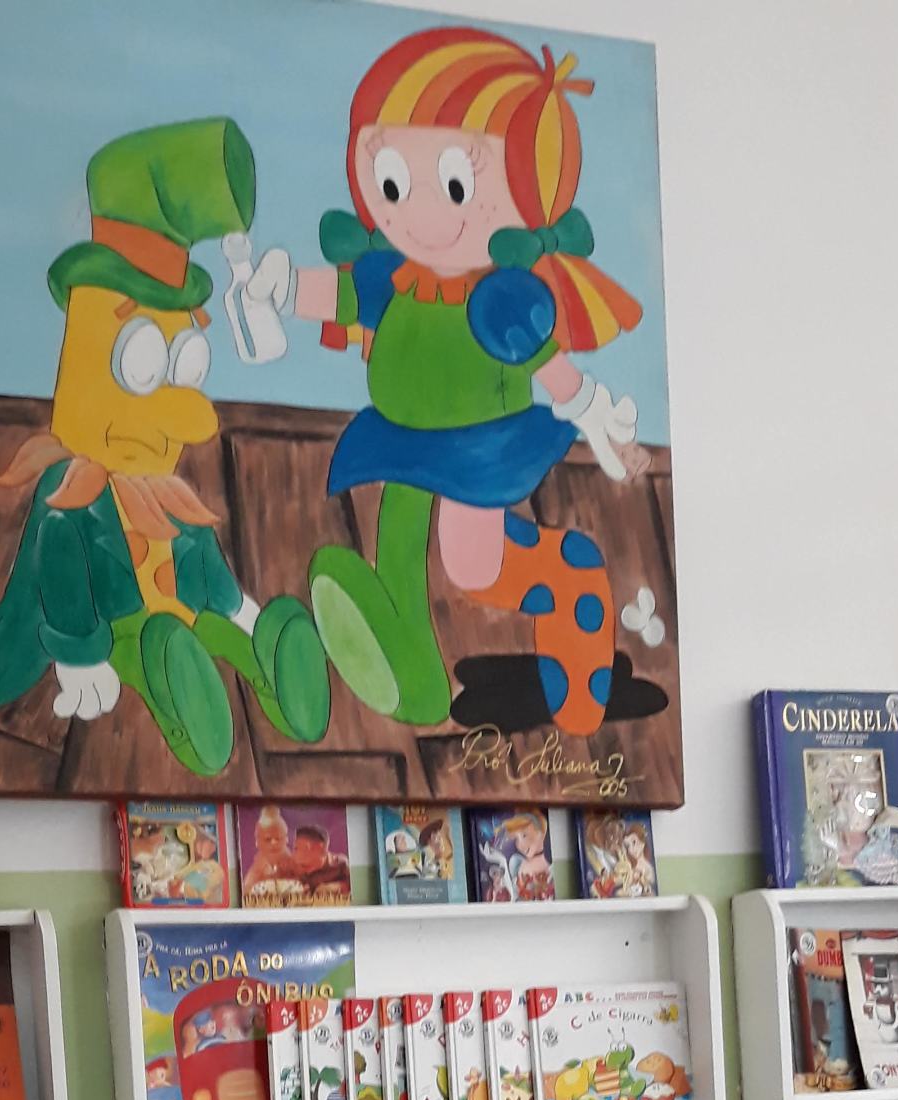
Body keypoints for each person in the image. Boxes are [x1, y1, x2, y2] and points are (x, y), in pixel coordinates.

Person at [233, 26, 648, 733]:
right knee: (397, 546)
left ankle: (565, 575)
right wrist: (281, 286)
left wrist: (594, 415)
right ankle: (411, 676)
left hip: (479, 447)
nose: (420, 213)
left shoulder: (499, 297)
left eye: (457, 185)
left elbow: (547, 362)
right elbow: (339, 294)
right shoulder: (394, 276)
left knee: (474, 568)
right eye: (393, 182)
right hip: (402, 439)